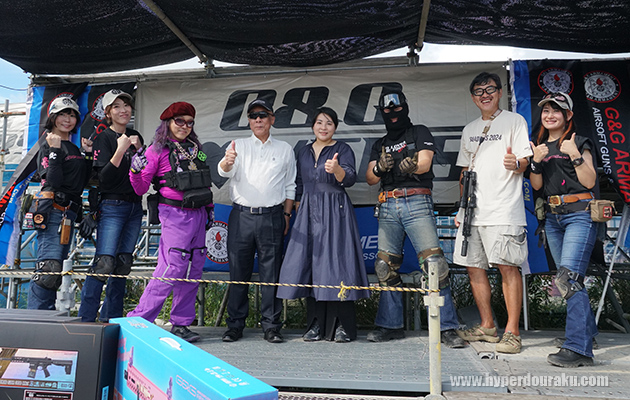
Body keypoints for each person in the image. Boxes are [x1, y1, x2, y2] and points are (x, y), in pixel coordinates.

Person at [365, 89, 465, 348]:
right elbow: (370, 177)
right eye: (387, 110)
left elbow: (425, 163)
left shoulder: (419, 132)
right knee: (385, 267)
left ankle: (446, 327)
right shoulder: (380, 143)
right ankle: (390, 325)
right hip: (388, 204)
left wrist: (412, 166)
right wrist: (380, 168)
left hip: (417, 201)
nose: (392, 113)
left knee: (435, 265)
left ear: (405, 107)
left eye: (397, 108)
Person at [454, 72, 532, 354]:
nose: (484, 95)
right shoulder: (469, 129)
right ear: (473, 97)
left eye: (490, 89)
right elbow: (465, 172)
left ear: (500, 92)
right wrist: (461, 208)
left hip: (503, 209)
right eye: (478, 91)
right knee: (473, 267)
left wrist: (516, 164)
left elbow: (525, 161)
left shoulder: (515, 121)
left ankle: (512, 333)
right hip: (472, 213)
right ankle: (488, 326)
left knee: (507, 267)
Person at [277, 107, 369, 342]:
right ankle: (315, 324)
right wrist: (297, 209)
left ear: (335, 127)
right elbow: (298, 183)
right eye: (319, 122)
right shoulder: (304, 151)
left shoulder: (343, 149)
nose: (324, 127)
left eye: (329, 123)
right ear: (312, 126)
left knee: (337, 266)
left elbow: (350, 178)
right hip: (308, 211)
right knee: (312, 266)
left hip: (336, 211)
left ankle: (342, 326)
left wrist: (337, 170)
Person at [127, 102, 213, 342]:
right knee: (171, 268)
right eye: (180, 121)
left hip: (199, 213)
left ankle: (181, 324)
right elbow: (141, 188)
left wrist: (210, 209)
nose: (185, 126)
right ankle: (139, 321)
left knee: (194, 268)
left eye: (190, 122)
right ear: (168, 122)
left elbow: (204, 182)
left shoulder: (195, 149)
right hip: (175, 213)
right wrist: (135, 171)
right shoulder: (156, 150)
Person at [218, 98, 296, 343]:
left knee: (271, 275)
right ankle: (235, 326)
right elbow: (224, 171)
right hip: (241, 216)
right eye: (253, 116)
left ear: (272, 119)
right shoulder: (237, 145)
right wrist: (227, 162)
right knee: (238, 274)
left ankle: (271, 326)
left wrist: (286, 215)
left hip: (272, 216)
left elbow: (290, 186)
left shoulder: (285, 148)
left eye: (263, 115)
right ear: (249, 121)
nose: (258, 119)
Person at [529, 92, 598, 367]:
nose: (550, 115)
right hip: (553, 218)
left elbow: (590, 181)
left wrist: (575, 155)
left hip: (579, 215)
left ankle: (578, 349)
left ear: (568, 115)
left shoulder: (578, 142)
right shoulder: (540, 146)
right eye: (546, 110)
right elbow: (536, 186)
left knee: (568, 280)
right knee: (565, 279)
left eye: (556, 110)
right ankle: (586, 334)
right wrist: (535, 161)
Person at [78, 89, 144, 323]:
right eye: (116, 106)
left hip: (135, 205)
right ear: (107, 113)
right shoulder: (103, 138)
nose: (123, 110)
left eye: (126, 105)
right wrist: (121, 149)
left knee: (123, 264)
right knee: (104, 262)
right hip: (112, 205)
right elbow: (104, 178)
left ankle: (113, 320)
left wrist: (140, 150)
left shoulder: (136, 136)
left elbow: (144, 172)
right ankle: (86, 319)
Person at [28, 97, 93, 310]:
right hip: (53, 210)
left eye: (72, 115)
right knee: (48, 269)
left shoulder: (73, 147)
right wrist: (54, 150)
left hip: (70, 213)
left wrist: (88, 155)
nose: (67, 119)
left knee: (55, 270)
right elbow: (52, 181)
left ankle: (45, 316)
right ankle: (35, 319)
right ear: (53, 117)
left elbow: (82, 182)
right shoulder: (48, 145)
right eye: (63, 114)